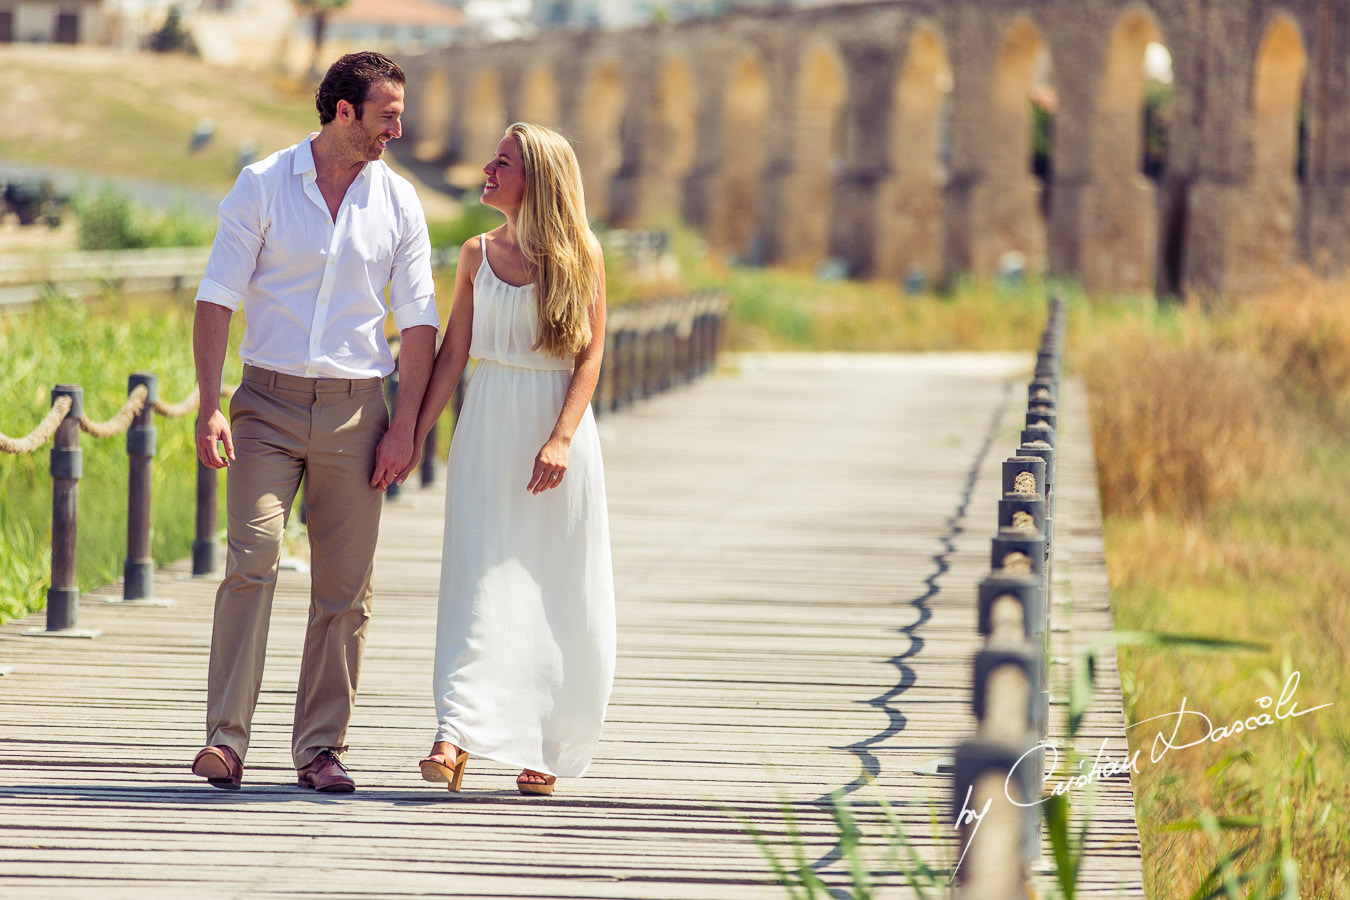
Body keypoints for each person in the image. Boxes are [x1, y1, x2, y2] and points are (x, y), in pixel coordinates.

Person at [190, 51, 438, 792]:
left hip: (359, 412)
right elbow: (216, 299)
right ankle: (225, 740)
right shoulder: (263, 184)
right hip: (264, 405)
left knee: (345, 588)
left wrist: (408, 430)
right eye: (387, 115)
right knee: (253, 558)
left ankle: (321, 748)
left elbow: (420, 324)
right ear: (344, 112)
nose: (398, 128)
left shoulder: (399, 203)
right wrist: (209, 403)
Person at [400, 122, 614, 796]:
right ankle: (453, 733)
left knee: (556, 589)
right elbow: (452, 355)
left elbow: (590, 355)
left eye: (501, 163)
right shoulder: (475, 254)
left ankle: (546, 744)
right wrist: (410, 434)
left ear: (539, 178)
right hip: (487, 429)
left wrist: (560, 438)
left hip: (557, 435)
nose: (486, 171)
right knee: (477, 581)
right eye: (489, 159)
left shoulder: (582, 254)